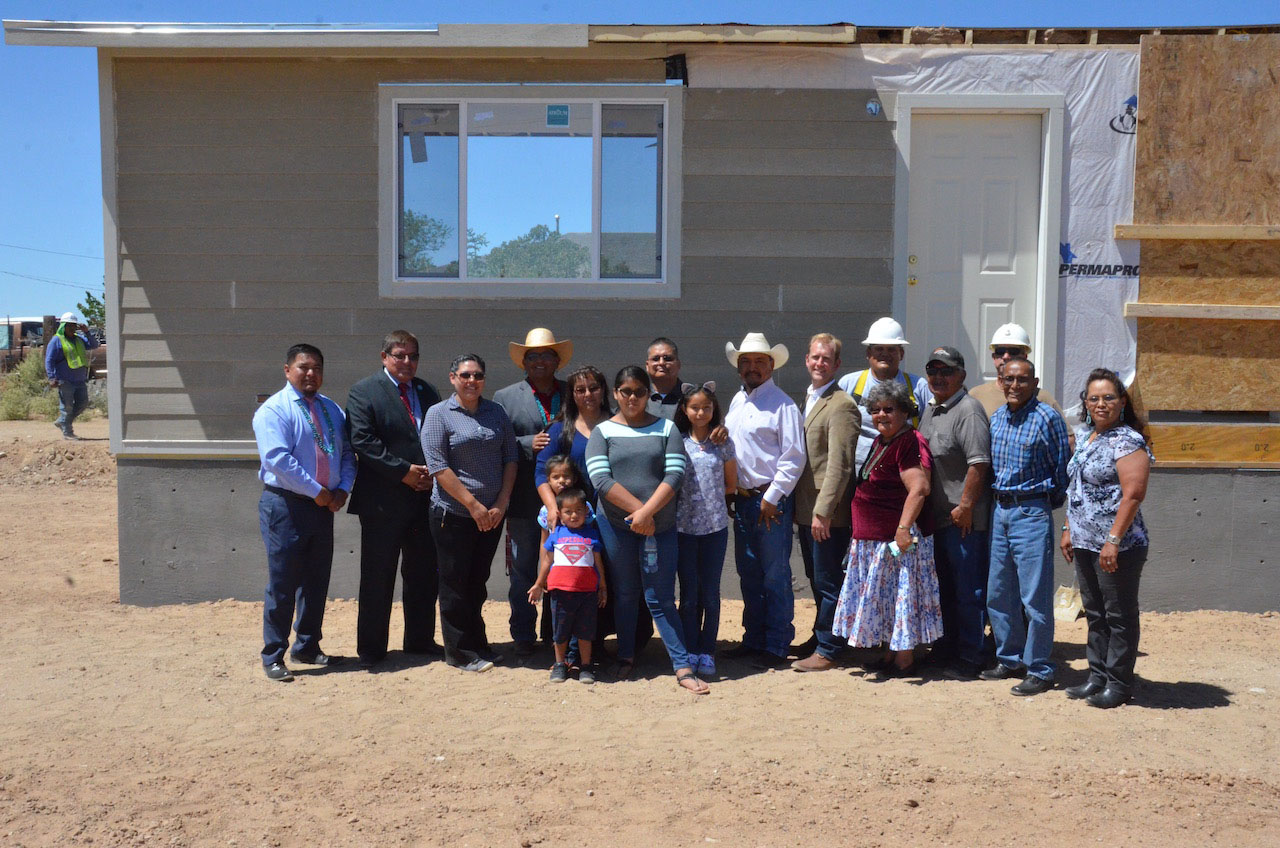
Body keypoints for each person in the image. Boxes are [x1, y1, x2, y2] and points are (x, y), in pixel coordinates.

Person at [586, 366, 705, 694]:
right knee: (625, 594)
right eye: (626, 391)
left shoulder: (667, 428)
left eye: (639, 391)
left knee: (660, 597)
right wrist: (639, 513)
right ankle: (626, 656)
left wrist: (648, 514)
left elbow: (675, 475)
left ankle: (682, 665)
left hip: (660, 528)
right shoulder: (602, 432)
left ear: (647, 393)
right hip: (616, 527)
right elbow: (601, 480)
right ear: (615, 394)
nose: (633, 397)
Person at [251, 343, 356, 682]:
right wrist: (318, 492)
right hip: (286, 505)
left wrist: (342, 490)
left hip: (324, 506)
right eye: (303, 367)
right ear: (287, 370)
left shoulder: (331, 410)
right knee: (283, 582)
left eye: (317, 368)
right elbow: (278, 460)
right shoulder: (275, 410)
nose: (311, 374)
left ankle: (307, 647)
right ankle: (274, 655)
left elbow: (347, 454)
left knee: (315, 580)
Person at [345, 330, 443, 668]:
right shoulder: (364, 391)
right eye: (399, 355)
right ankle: (372, 649)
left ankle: (419, 639)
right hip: (382, 502)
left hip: (424, 498)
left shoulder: (427, 391)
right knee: (378, 576)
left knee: (422, 575)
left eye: (413, 356)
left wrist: (433, 471)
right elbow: (363, 440)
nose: (406, 362)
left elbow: (438, 434)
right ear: (384, 356)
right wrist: (403, 471)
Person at [831, 381, 943, 676]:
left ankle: (904, 659)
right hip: (873, 538)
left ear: (904, 411)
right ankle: (891, 655)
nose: (881, 415)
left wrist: (903, 528)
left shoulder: (910, 442)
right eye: (876, 410)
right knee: (887, 600)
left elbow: (919, 488)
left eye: (889, 409)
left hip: (895, 539)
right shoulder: (884, 440)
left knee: (900, 597)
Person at [1061, 368, 1153, 709]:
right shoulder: (1087, 437)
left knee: (1119, 616)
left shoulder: (1127, 440)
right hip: (1085, 542)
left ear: (1122, 401)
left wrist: (1113, 540)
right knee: (1096, 614)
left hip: (1119, 546)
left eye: (1109, 397)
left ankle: (1119, 684)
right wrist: (1068, 529)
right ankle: (1096, 677)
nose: (1101, 404)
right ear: (1085, 403)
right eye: (1094, 398)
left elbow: (1133, 494)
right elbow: (1077, 489)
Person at [422, 354, 518, 673]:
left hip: (491, 515)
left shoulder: (496, 412)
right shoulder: (439, 414)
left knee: (477, 582)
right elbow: (438, 466)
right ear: (452, 378)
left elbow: (510, 459)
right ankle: (459, 651)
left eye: (477, 375)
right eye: (465, 375)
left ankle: (478, 643)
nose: (471, 381)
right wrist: (473, 506)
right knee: (454, 583)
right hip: (454, 514)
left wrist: (500, 504)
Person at [982, 357, 1070, 696]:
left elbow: (1062, 472)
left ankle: (1040, 668)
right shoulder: (998, 419)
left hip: (1031, 512)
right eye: (1009, 379)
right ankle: (1009, 658)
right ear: (1001, 382)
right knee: (999, 592)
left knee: (1034, 597)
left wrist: (1041, 504)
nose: (1015, 386)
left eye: (1022, 380)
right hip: (999, 510)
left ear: (1034, 383)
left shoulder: (1047, 418)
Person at [723, 333, 806, 668]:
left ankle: (776, 643)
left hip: (769, 499)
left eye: (759, 361)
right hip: (743, 499)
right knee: (749, 572)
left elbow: (794, 457)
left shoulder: (783, 404)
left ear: (771, 365)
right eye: (746, 362)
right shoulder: (736, 402)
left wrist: (773, 497)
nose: (752, 367)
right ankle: (754, 637)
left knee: (774, 574)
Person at [494, 328, 572, 657]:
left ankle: (555, 631)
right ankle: (523, 632)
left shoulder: (573, 392)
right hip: (525, 498)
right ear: (523, 362)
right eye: (533, 357)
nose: (540, 361)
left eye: (547, 355)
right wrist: (527, 444)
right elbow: (495, 441)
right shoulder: (505, 397)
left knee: (563, 565)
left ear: (557, 360)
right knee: (525, 567)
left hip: (569, 499)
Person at [917, 346, 992, 680]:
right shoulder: (931, 410)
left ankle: (971, 655)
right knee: (944, 589)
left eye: (946, 371)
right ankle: (947, 647)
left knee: (968, 590)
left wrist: (966, 506)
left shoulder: (969, 410)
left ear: (961, 375)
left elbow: (979, 463)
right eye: (933, 371)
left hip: (962, 520)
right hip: (938, 520)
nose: (938, 377)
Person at [791, 333, 860, 672]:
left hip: (826, 512)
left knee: (830, 580)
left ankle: (830, 648)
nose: (819, 363)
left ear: (836, 364)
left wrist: (825, 511)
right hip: (805, 507)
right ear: (807, 360)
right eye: (814, 357)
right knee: (816, 576)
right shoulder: (809, 398)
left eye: (826, 359)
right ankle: (823, 635)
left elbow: (840, 463)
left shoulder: (841, 404)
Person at [673, 383, 737, 678]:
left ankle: (707, 651)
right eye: (694, 407)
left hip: (714, 528)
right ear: (685, 410)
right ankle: (689, 648)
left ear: (714, 410)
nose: (700, 412)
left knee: (710, 593)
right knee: (688, 594)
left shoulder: (722, 442)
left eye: (706, 407)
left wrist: (711, 503)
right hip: (683, 528)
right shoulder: (676, 442)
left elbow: (731, 484)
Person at [528, 488, 607, 684]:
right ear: (559, 514)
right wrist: (539, 583)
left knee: (585, 632)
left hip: (587, 593)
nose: (574, 515)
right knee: (560, 632)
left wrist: (602, 585)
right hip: (560, 592)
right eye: (568, 511)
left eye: (579, 510)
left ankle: (586, 666)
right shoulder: (556, 534)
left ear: (586, 513)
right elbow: (547, 561)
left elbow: (598, 562)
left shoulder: (592, 535)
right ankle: (560, 665)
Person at [837, 317, 932, 468]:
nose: (885, 354)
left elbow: (932, 430)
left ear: (901, 353)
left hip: (903, 471)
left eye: (891, 349)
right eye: (879, 349)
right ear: (869, 353)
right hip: (859, 472)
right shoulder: (849, 384)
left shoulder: (918, 387)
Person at [970, 323, 1067, 419]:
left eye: (1013, 351)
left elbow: (1068, 434)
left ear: (1025, 357)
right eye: (1000, 351)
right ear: (994, 357)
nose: (1006, 356)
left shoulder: (1043, 398)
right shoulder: (975, 395)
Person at [44, 311, 100, 440]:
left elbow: (94, 345)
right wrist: (52, 377)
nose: (72, 328)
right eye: (69, 325)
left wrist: (86, 332)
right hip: (65, 380)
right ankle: (67, 432)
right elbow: (49, 360)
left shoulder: (79, 339)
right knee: (67, 407)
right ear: (63, 326)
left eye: (74, 325)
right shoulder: (56, 341)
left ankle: (62, 421)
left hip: (79, 379)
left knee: (83, 403)